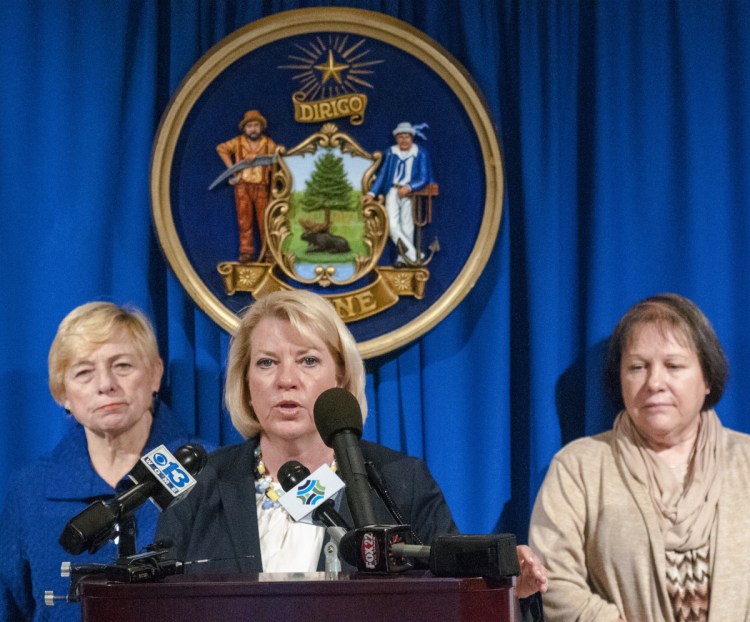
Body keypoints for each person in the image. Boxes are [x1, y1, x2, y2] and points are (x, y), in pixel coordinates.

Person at [156, 289, 547, 608]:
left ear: (340, 377)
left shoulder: (402, 480)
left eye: (308, 360)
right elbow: (155, 605)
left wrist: (512, 589)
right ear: (244, 382)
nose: (286, 379)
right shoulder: (200, 484)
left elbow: (457, 600)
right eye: (266, 362)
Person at [529, 293, 750, 621]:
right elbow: (553, 582)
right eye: (637, 367)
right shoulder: (577, 467)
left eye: (673, 366)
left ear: (707, 378)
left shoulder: (745, 461)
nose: (654, 382)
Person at [0, 302, 203, 622]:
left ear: (154, 374)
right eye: (83, 372)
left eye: (122, 366)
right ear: (61, 394)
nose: (106, 384)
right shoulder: (30, 488)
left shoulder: (206, 469)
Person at [363, 121, 433, 264]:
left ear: (412, 138)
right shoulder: (391, 152)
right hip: (393, 190)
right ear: (396, 139)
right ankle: (414, 255)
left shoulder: (420, 153)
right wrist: (371, 193)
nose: (404, 140)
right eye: (400, 137)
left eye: (406, 137)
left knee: (407, 226)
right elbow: (382, 175)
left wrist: (409, 187)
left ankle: (403, 257)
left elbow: (424, 177)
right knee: (392, 225)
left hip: (409, 193)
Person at [216, 109, 278, 262]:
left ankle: (269, 252)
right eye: (250, 126)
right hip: (243, 187)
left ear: (261, 127)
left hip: (261, 187)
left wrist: (259, 157)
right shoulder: (238, 142)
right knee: (245, 220)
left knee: (265, 220)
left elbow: (277, 158)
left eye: (256, 125)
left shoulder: (268, 143)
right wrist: (232, 169)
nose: (253, 129)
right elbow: (221, 148)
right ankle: (246, 252)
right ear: (245, 128)